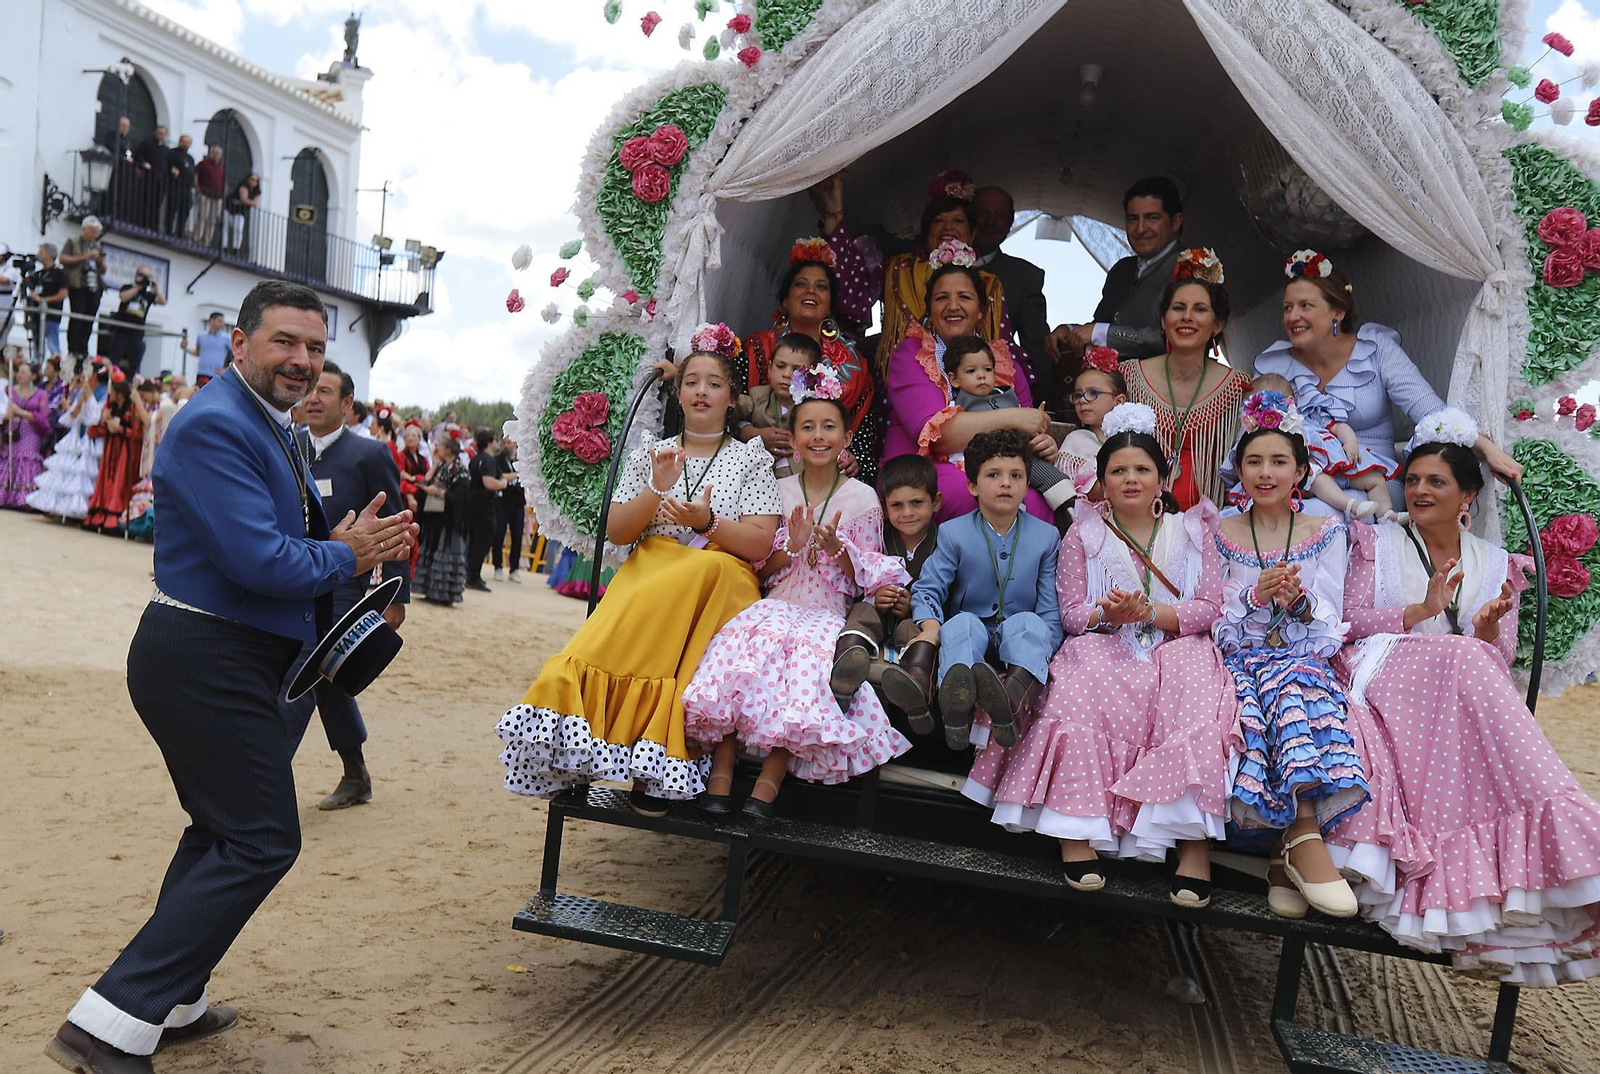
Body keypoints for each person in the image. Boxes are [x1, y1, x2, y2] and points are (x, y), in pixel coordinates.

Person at [46, 280, 415, 1074]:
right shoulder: (217, 422)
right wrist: (347, 555)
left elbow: (274, 543)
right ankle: (107, 1025)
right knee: (260, 839)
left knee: (220, 830)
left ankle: (173, 1002)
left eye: (316, 348)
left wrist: (337, 545)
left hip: (236, 655)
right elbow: (257, 561)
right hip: (206, 657)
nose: (303, 362)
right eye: (284, 343)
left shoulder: (268, 421)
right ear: (239, 343)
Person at [1331, 409, 1600, 985]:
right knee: (1461, 657)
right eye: (1414, 479)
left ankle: (1528, 854)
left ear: (1467, 498)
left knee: (1470, 658)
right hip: (1379, 666)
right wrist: (1423, 612)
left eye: (1437, 482)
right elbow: (1349, 623)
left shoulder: (1499, 564)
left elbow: (1495, 660)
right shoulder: (1373, 542)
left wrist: (1482, 629)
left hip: (1455, 679)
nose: (1420, 489)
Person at [497, 332, 783, 815]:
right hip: (652, 568)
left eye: (714, 383)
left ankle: (654, 762)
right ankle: (574, 750)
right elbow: (620, 529)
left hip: (718, 577)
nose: (701, 391)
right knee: (613, 626)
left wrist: (707, 523)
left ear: (731, 397)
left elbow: (760, 541)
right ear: (678, 393)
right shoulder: (653, 451)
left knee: (703, 567)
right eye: (691, 381)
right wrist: (656, 487)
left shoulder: (750, 458)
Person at [964, 403, 1236, 906]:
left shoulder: (1196, 531)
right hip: (1108, 641)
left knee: (1196, 690)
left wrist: (1150, 613)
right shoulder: (1083, 535)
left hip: (1176, 643)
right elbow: (1071, 615)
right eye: (1118, 471)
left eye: (1141, 470)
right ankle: (1075, 830)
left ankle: (1193, 848)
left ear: (1162, 479)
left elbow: (1210, 607)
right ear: (1102, 481)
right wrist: (1111, 615)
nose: (1130, 479)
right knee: (1080, 677)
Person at [683, 371, 912, 816]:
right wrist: (790, 545)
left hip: (826, 612)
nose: (818, 436)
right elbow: (761, 568)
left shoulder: (864, 498)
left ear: (846, 437)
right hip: (776, 603)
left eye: (829, 427)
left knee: (802, 679)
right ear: (792, 437)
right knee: (739, 662)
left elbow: (870, 579)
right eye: (807, 427)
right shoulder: (778, 489)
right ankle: (720, 778)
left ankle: (766, 787)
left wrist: (836, 549)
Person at [1213, 391, 1363, 918]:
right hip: (1239, 658)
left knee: (1297, 679)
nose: (1266, 472)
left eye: (1279, 461)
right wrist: (1254, 596)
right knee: (1270, 687)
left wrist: (1296, 600)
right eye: (1254, 461)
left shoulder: (1325, 531)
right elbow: (1212, 615)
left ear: (1301, 470)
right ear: (1239, 470)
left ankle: (1295, 845)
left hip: (1303, 656)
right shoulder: (1219, 532)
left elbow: (1332, 620)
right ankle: (1298, 845)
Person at [1254, 249, 1522, 496]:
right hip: (1305, 484)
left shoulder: (1376, 349)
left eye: (1305, 306)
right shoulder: (1274, 367)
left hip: (1378, 480)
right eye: (1287, 308)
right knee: (1307, 513)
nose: (1292, 317)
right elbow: (1253, 436)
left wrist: (1487, 449)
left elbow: (1429, 410)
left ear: (1337, 312)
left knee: (1333, 517)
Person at [289, 359, 410, 811]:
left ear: (347, 403)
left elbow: (396, 525)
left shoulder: (369, 454)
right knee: (327, 679)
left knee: (308, 667)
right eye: (311, 390)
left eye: (326, 391)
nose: (314, 398)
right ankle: (356, 773)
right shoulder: (290, 444)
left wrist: (397, 595)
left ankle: (269, 775)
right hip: (295, 575)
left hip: (344, 581)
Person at [910, 428, 1065, 751]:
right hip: (971, 633)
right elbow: (928, 590)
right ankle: (956, 711)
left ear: (1026, 484)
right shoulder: (954, 533)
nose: (1006, 483)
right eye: (993, 475)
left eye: (1016, 475)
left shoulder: (1046, 536)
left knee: (1032, 624)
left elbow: (1050, 608)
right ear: (973, 485)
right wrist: (930, 626)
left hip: (1018, 639)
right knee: (962, 625)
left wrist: (1046, 645)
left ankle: (1008, 703)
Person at [810, 171, 1031, 384]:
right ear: (925, 232)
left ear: (972, 234)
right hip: (898, 384)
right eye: (938, 221)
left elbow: (1001, 348)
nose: (948, 227)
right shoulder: (897, 270)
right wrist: (834, 216)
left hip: (967, 391)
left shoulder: (988, 285)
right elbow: (851, 292)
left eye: (958, 221)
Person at [882, 251, 1054, 523]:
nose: (953, 306)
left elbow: (1029, 427)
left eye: (964, 297)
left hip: (997, 464)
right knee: (962, 493)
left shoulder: (1003, 358)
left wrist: (1041, 442)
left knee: (1035, 501)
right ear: (930, 309)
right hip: (922, 466)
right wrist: (1015, 418)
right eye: (942, 298)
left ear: (981, 310)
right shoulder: (913, 352)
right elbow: (938, 436)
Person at [1121, 253, 1253, 510]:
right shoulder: (1129, 377)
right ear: (1163, 320)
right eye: (1178, 308)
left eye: (1200, 309)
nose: (1187, 317)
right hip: (1138, 517)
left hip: (1210, 522)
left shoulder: (1239, 387)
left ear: (1217, 325)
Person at [740, 240, 876, 478]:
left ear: (831, 305)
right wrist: (752, 433)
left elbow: (863, 439)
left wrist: (853, 460)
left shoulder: (855, 364)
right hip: (758, 470)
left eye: (821, 286)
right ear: (785, 300)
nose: (810, 291)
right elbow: (726, 410)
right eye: (800, 284)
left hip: (829, 474)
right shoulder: (756, 348)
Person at [830, 454, 943, 728]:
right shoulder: (879, 536)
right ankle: (848, 662)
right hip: (877, 620)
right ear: (884, 508)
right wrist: (877, 596)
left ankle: (916, 692)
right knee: (862, 610)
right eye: (897, 505)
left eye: (917, 503)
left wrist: (912, 606)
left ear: (935, 502)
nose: (907, 513)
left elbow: (945, 591)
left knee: (913, 630)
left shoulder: (944, 543)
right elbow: (860, 574)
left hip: (913, 623)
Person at [1046, 176, 1189, 374]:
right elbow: (1101, 325)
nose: (1140, 229)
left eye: (1152, 218)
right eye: (1132, 219)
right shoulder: (1122, 270)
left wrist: (1100, 333)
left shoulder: (1191, 267)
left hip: (1168, 394)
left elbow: (1178, 338)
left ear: (1176, 222)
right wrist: (1071, 332)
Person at [933, 335, 1077, 529]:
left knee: (1055, 479)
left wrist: (1036, 435)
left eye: (987, 369)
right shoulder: (957, 405)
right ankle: (1015, 529)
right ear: (954, 379)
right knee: (1010, 496)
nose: (981, 375)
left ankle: (1071, 516)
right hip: (982, 461)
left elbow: (1024, 429)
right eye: (971, 371)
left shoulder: (1008, 397)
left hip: (1018, 457)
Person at [1226, 375, 1399, 521]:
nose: (1266, 415)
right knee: (1315, 475)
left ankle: (1387, 516)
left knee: (1375, 478)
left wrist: (1350, 443)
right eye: (1256, 410)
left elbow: (1339, 427)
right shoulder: (1258, 437)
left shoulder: (1309, 417)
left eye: (1270, 406)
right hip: (1305, 478)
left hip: (1338, 469)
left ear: (1290, 403)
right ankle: (1350, 505)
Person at [972, 185, 1052, 401]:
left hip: (993, 389)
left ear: (1009, 224)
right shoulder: (933, 263)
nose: (990, 221)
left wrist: (1042, 402)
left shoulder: (1024, 276)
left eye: (999, 215)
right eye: (983, 213)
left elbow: (1036, 345)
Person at [736, 331, 821, 479]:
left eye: (796, 370)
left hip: (803, 480)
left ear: (812, 375)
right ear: (769, 368)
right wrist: (748, 430)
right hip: (758, 481)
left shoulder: (817, 406)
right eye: (780, 366)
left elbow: (834, 433)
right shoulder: (757, 396)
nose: (787, 374)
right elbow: (727, 410)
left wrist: (843, 454)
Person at [1055, 346, 1128, 491]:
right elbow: (1066, 491)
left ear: (1118, 401)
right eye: (1078, 394)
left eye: (1092, 393)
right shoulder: (1076, 440)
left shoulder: (1132, 439)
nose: (1082, 400)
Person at [83, 371, 146, 533]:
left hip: (125, 450)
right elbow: (95, 430)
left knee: (120, 481)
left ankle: (115, 518)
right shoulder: (109, 406)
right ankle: (100, 516)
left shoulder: (132, 407)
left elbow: (138, 433)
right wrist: (104, 422)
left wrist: (121, 430)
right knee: (106, 480)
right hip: (111, 447)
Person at [414, 438, 471, 604]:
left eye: (440, 445)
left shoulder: (459, 470)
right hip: (435, 517)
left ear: (448, 450)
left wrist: (438, 492)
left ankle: (444, 594)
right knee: (432, 552)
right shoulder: (441, 467)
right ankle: (430, 590)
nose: (436, 447)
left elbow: (461, 496)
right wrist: (434, 465)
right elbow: (425, 482)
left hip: (449, 520)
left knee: (446, 554)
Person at [125, 377, 178, 539]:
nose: (143, 400)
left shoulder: (165, 404)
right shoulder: (153, 406)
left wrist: (137, 402)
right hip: (149, 451)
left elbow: (149, 421)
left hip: (158, 452)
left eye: (144, 396)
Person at [2, 360, 52, 507]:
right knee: (8, 457)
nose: (20, 375)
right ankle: (5, 494)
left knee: (26, 459)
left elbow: (43, 416)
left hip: (30, 430)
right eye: (19, 372)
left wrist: (20, 411)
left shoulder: (41, 394)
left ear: (33, 376)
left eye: (24, 372)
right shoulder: (9, 391)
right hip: (12, 428)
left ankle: (23, 498)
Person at [466, 428, 509, 592]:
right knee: (483, 539)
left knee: (475, 540)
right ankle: (473, 576)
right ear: (489, 442)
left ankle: (472, 574)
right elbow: (488, 482)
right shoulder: (488, 461)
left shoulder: (476, 459)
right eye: (496, 440)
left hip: (473, 503)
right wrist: (503, 484)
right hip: (483, 503)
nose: (498, 443)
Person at [59, 218, 108, 361]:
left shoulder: (97, 246)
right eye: (92, 231)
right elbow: (63, 259)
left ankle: (83, 347)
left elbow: (103, 270)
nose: (94, 235)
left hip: (94, 286)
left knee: (90, 318)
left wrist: (100, 262)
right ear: (84, 229)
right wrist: (85, 257)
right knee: (77, 317)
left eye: (96, 232)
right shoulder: (72, 242)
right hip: (78, 284)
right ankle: (73, 348)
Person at [106, 267, 166, 380]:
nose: (143, 278)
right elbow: (123, 298)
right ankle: (111, 381)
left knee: (134, 364)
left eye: (146, 276)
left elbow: (163, 302)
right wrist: (138, 287)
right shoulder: (128, 287)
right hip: (122, 331)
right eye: (141, 275)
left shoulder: (147, 295)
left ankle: (129, 382)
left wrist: (156, 290)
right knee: (114, 360)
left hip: (137, 333)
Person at [494, 436, 526, 582]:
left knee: (517, 537)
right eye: (504, 443)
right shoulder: (498, 459)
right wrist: (516, 475)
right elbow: (499, 476)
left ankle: (514, 569)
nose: (506, 445)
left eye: (509, 442)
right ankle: (498, 567)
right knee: (499, 534)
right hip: (502, 502)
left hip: (518, 503)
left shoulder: (522, 459)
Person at [31, 244, 70, 361]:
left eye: (41, 251)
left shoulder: (59, 273)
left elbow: (63, 294)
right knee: (37, 346)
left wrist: (44, 300)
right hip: (36, 315)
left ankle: (57, 370)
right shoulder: (38, 274)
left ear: (49, 254)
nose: (38, 254)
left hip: (52, 315)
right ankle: (36, 371)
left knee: (53, 344)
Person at [132, 124, 168, 229]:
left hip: (161, 181)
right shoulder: (146, 144)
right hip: (148, 178)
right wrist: (143, 163)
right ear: (155, 133)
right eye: (159, 133)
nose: (160, 135)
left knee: (156, 205)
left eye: (163, 134)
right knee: (144, 202)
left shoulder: (166, 149)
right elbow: (138, 155)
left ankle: (152, 227)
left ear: (165, 135)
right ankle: (141, 225)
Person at [192, 145, 225, 247]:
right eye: (214, 152)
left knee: (212, 220)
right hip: (204, 194)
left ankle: (207, 241)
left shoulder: (221, 168)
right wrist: (197, 188)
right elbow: (196, 175)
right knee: (202, 217)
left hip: (217, 197)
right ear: (210, 153)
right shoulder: (203, 164)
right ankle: (197, 238)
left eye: (218, 153)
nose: (215, 155)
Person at [185, 312, 231, 386]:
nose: (223, 323)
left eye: (223, 321)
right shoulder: (201, 336)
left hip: (217, 375)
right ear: (211, 321)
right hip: (202, 373)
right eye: (220, 321)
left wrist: (226, 369)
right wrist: (185, 348)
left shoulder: (226, 338)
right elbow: (198, 352)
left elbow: (235, 354)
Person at [166, 134, 196, 238]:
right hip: (176, 186)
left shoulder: (190, 158)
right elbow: (169, 165)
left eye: (187, 142)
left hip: (187, 188)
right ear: (180, 141)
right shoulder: (172, 153)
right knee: (172, 209)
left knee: (184, 211)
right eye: (183, 141)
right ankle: (168, 231)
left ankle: (179, 233)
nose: (185, 144)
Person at [225, 173, 261, 256]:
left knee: (238, 229)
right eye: (252, 179)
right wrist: (247, 202)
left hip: (240, 211)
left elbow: (254, 202)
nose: (253, 182)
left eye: (256, 180)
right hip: (229, 208)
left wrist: (245, 202)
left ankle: (236, 249)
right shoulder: (243, 186)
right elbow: (244, 199)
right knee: (225, 228)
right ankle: (224, 247)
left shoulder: (257, 191)